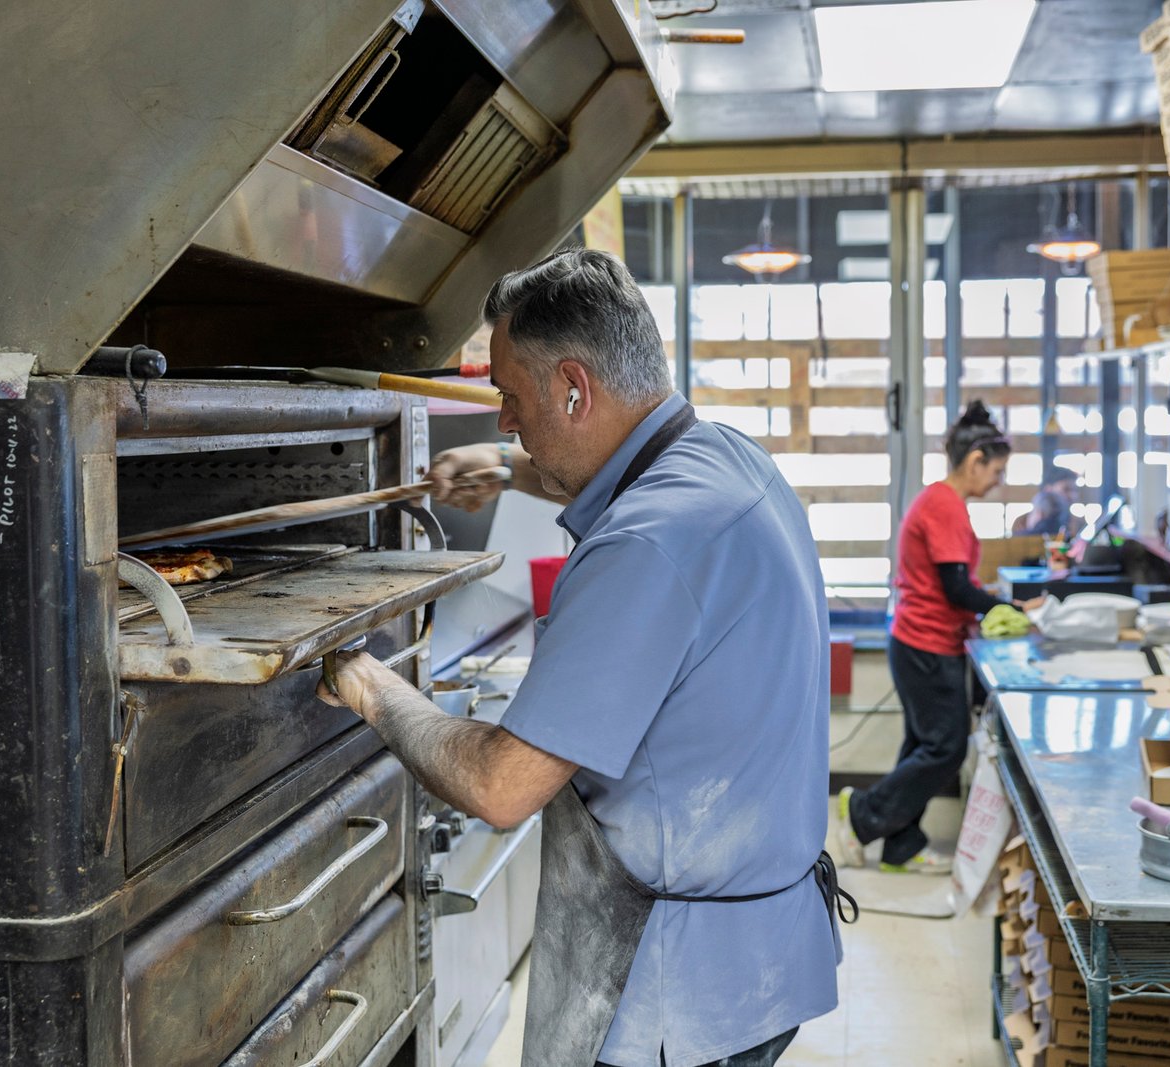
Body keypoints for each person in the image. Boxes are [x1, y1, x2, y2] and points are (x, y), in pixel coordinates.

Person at [317, 249, 849, 1067]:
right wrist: (508, 471)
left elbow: (501, 786)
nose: (503, 419)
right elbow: (629, 471)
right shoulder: (729, 458)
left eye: (510, 396)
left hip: (673, 994)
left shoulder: (642, 546)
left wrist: (370, 685)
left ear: (573, 386)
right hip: (764, 956)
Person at [835, 401, 1043, 875]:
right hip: (926, 643)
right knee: (945, 748)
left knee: (922, 745)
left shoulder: (939, 501)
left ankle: (901, 847)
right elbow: (955, 588)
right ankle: (863, 814)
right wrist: (1011, 609)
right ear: (975, 461)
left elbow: (955, 582)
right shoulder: (944, 505)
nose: (998, 482)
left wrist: (996, 603)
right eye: (997, 471)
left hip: (918, 640)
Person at [1012, 464, 1079, 537]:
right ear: (1048, 489)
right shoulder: (1021, 523)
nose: (1073, 496)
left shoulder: (1076, 523)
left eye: (1075, 490)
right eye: (1066, 489)